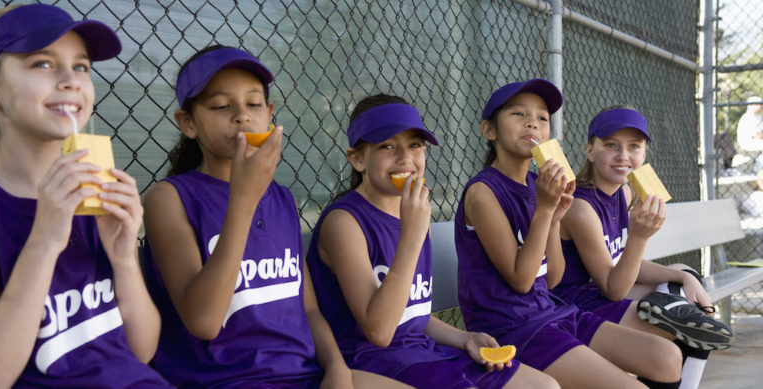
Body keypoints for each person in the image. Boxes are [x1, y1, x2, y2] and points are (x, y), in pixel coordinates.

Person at [142, 45, 406, 388]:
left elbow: (308, 310)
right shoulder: (169, 198)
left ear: (269, 113)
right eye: (221, 106)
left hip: (304, 375)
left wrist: (337, 369)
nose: (241, 115)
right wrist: (243, 200)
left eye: (253, 104)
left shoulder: (281, 198)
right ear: (187, 123)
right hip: (224, 379)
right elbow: (204, 321)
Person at [306, 95, 558, 388]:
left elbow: (414, 314)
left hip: (421, 353)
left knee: (544, 386)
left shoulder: (413, 210)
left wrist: (464, 338)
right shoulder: (344, 222)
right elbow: (381, 331)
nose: (405, 158)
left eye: (415, 145)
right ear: (358, 159)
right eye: (386, 146)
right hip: (372, 361)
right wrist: (412, 235)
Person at [455, 79, 683, 388]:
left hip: (551, 312)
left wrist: (553, 217)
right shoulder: (484, 193)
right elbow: (522, 281)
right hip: (511, 328)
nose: (532, 123)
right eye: (518, 115)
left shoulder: (538, 184)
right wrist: (546, 211)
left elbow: (552, 278)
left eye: (542, 118)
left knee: (667, 357)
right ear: (489, 130)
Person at [0, 3, 171, 387]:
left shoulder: (93, 194)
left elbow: (141, 352)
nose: (71, 80)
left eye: (82, 67)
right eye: (42, 63)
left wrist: (123, 259)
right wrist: (43, 242)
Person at [556, 106, 735, 389]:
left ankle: (675, 309)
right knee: (691, 329)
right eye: (611, 145)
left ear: (644, 154)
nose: (623, 155)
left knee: (682, 273)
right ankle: (676, 315)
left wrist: (683, 278)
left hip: (600, 290)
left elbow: (622, 262)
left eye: (634, 146)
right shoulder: (581, 207)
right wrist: (640, 237)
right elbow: (613, 287)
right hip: (573, 303)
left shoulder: (624, 192)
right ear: (590, 151)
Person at [736, 96, 763, 172]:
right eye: (758, 104)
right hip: (748, 142)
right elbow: (756, 134)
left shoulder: (758, 117)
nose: (760, 106)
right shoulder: (747, 117)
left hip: (757, 141)